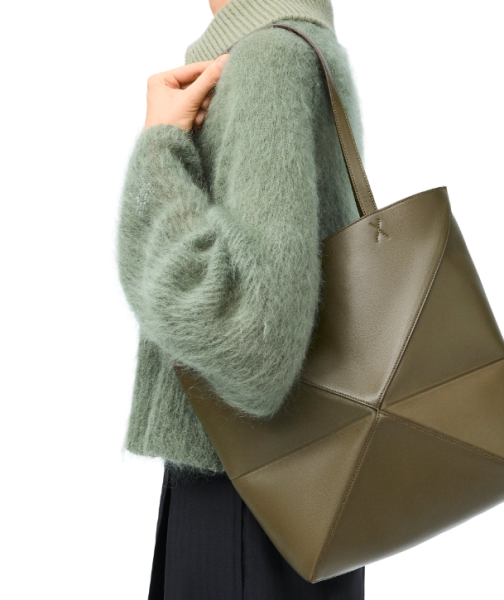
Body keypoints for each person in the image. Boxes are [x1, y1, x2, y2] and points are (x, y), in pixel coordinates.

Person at [116, 0, 367, 597]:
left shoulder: (268, 59)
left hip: (243, 492)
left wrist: (159, 151)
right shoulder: (308, 46)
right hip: (314, 484)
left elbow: (252, 341)